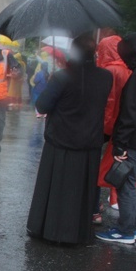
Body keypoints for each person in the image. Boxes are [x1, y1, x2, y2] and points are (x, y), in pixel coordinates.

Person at [26, 33, 112, 244]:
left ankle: (49, 231)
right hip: (89, 143)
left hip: (61, 141)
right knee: (81, 192)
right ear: (94, 53)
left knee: (56, 189)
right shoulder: (106, 76)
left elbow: (42, 105)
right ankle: (78, 233)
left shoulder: (62, 76)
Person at [95, 32, 136, 244]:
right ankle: (131, 227)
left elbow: (131, 111)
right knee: (131, 181)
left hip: (134, 140)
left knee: (126, 184)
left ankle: (127, 230)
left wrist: (120, 144)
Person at [94, 35, 133, 221]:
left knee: (96, 164)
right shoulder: (129, 69)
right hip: (124, 124)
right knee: (118, 162)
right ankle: (115, 198)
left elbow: (108, 102)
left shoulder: (108, 71)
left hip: (106, 123)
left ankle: (93, 206)